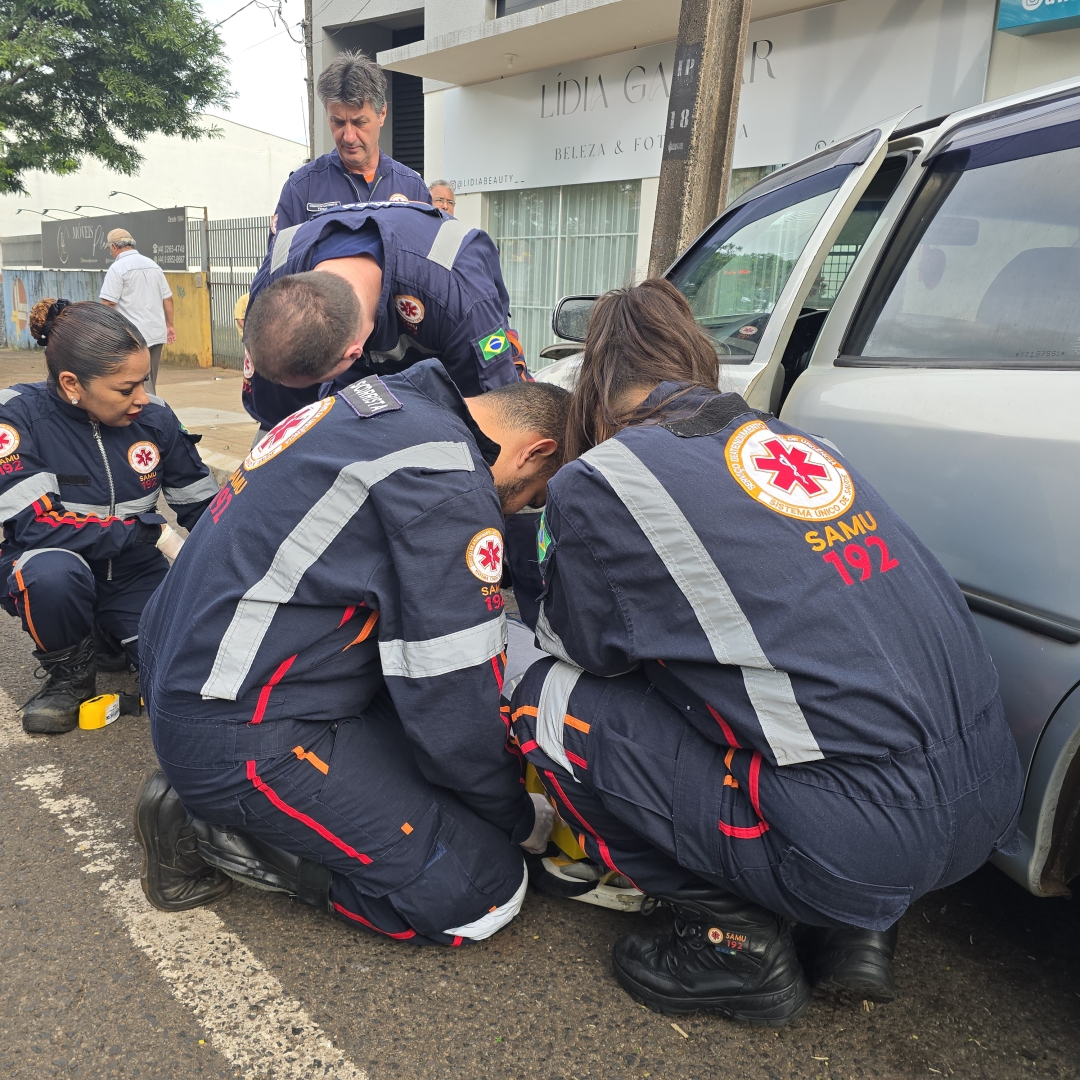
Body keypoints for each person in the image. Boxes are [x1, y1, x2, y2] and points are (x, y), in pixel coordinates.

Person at [510, 280, 1023, 1023]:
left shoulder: (603, 477)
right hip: (987, 801)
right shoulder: (803, 444)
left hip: (861, 839)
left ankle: (733, 945)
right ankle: (856, 930)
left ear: (594, 387)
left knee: (549, 697)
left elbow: (587, 649)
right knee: (803, 683)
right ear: (695, 359)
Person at [133, 359, 570, 946]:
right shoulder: (446, 480)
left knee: (460, 772)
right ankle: (213, 831)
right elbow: (452, 703)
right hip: (242, 735)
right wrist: (513, 814)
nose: (517, 511)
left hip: (197, 671)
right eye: (533, 496)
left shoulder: (391, 404)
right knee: (484, 889)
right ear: (536, 451)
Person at [2, 301, 219, 734]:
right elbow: (35, 526)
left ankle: (107, 631)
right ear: (72, 383)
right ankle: (70, 674)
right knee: (52, 576)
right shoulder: (16, 417)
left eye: (144, 381)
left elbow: (205, 507)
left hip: (134, 572)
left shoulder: (155, 416)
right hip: (55, 566)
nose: (142, 398)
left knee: (187, 673)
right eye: (126, 389)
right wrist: (146, 533)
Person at [241, 201, 528, 433]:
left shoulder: (460, 297)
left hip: (450, 346)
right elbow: (279, 419)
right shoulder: (273, 286)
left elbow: (497, 416)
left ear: (354, 354)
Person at [271, 50, 430, 240]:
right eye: (338, 122)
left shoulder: (412, 188)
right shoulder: (302, 188)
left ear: (382, 114)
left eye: (359, 122)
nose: (348, 136)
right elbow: (279, 258)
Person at [99, 229, 175, 394]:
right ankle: (152, 408)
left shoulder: (117, 268)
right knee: (150, 380)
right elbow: (168, 299)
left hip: (133, 336)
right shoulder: (153, 265)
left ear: (114, 246)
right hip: (156, 332)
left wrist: (103, 329)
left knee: (138, 384)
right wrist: (169, 325)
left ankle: (150, 410)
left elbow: (109, 302)